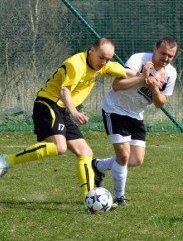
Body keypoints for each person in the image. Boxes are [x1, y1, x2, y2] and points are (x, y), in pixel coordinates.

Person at [0, 37, 139, 209]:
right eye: (101, 57)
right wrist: (74, 112)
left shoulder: (102, 66)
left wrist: (145, 75)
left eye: (108, 59)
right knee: (60, 148)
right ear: (91, 51)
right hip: (48, 103)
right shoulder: (76, 64)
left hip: (63, 109)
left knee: (85, 152)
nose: (104, 62)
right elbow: (64, 90)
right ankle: (6, 160)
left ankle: (90, 199)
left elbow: (126, 73)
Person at [92, 37, 178, 206]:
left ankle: (99, 166)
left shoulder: (171, 74)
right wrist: (142, 77)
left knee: (136, 160)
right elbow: (116, 85)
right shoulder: (138, 60)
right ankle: (119, 197)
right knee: (123, 155)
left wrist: (154, 89)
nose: (166, 59)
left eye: (170, 56)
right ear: (155, 48)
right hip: (115, 109)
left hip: (136, 115)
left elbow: (160, 103)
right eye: (163, 53)